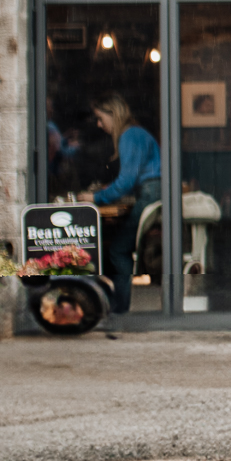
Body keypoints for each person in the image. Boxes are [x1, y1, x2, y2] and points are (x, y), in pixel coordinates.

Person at [78, 94, 160, 316]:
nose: (99, 124)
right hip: (153, 192)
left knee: (118, 250)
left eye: (100, 118)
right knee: (118, 244)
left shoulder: (129, 135)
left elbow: (126, 181)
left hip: (151, 193)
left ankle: (119, 307)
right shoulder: (136, 134)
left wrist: (95, 198)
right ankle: (115, 302)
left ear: (112, 114)